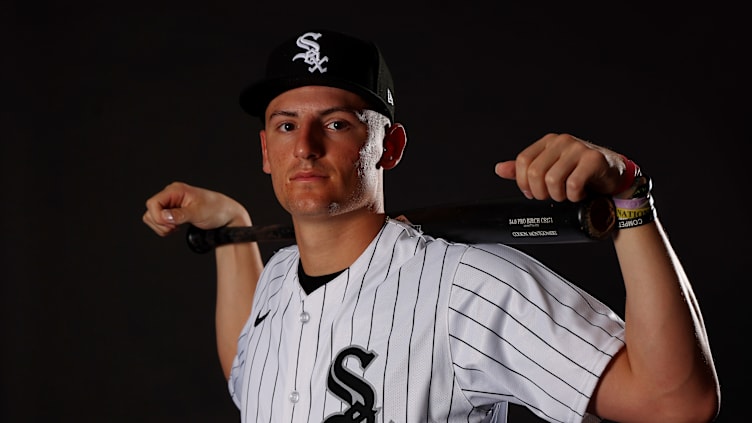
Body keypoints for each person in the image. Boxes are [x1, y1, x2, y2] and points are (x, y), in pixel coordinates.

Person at [142, 29, 720, 423]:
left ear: (387, 146)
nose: (307, 147)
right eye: (287, 126)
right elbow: (249, 378)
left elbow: (675, 403)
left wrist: (629, 198)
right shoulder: (277, 278)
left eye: (337, 123)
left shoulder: (467, 287)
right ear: (266, 150)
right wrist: (231, 229)